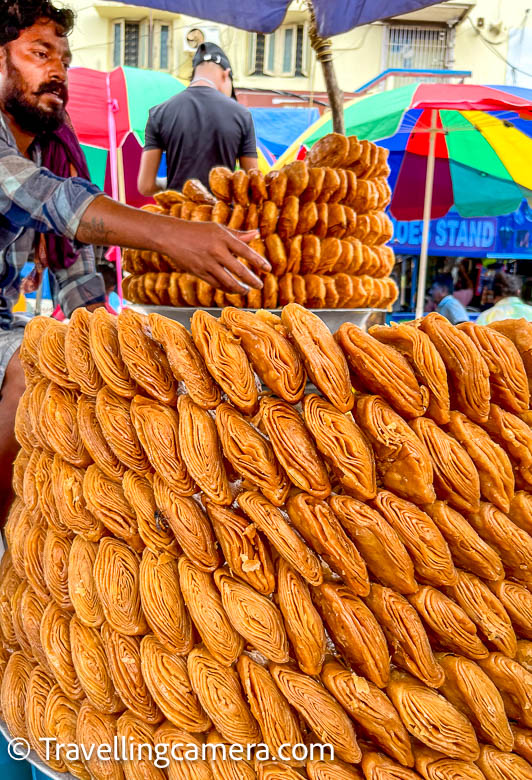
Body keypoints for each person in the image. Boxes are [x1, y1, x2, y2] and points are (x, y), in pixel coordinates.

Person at [0, 1, 269, 523]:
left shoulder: (51, 151)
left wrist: (109, 351)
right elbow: (50, 201)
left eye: (65, 58)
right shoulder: (20, 162)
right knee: (34, 367)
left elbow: (74, 264)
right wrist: (173, 235)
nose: (58, 70)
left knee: (74, 366)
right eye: (39, 53)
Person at [137, 42, 258, 196]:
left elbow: (146, 186)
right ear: (225, 74)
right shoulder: (242, 115)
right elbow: (254, 184)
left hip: (177, 217)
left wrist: (177, 183)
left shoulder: (158, 113)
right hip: (220, 218)